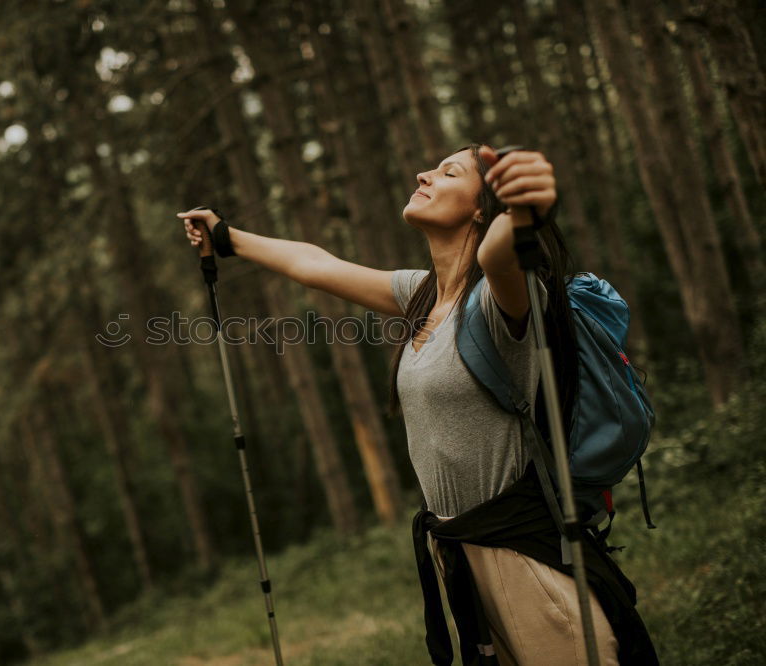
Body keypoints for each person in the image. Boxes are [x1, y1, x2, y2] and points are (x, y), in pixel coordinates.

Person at [177, 144, 656, 665]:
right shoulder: (423, 295)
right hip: (463, 559)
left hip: (526, 562)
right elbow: (313, 264)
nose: (423, 174)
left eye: (448, 172)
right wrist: (226, 236)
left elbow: (498, 253)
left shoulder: (504, 299)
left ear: (482, 208)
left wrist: (524, 210)